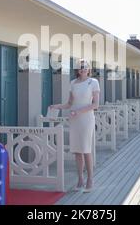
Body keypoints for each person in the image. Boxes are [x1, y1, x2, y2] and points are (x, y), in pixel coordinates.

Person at [49, 59, 100, 193]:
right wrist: (56, 106)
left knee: (86, 149)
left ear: (89, 69)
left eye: (85, 67)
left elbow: (95, 105)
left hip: (86, 119)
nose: (82, 69)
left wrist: (78, 111)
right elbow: (69, 104)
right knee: (77, 150)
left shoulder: (93, 82)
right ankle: (80, 179)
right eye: (80, 67)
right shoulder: (72, 83)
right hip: (74, 120)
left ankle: (90, 179)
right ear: (77, 69)